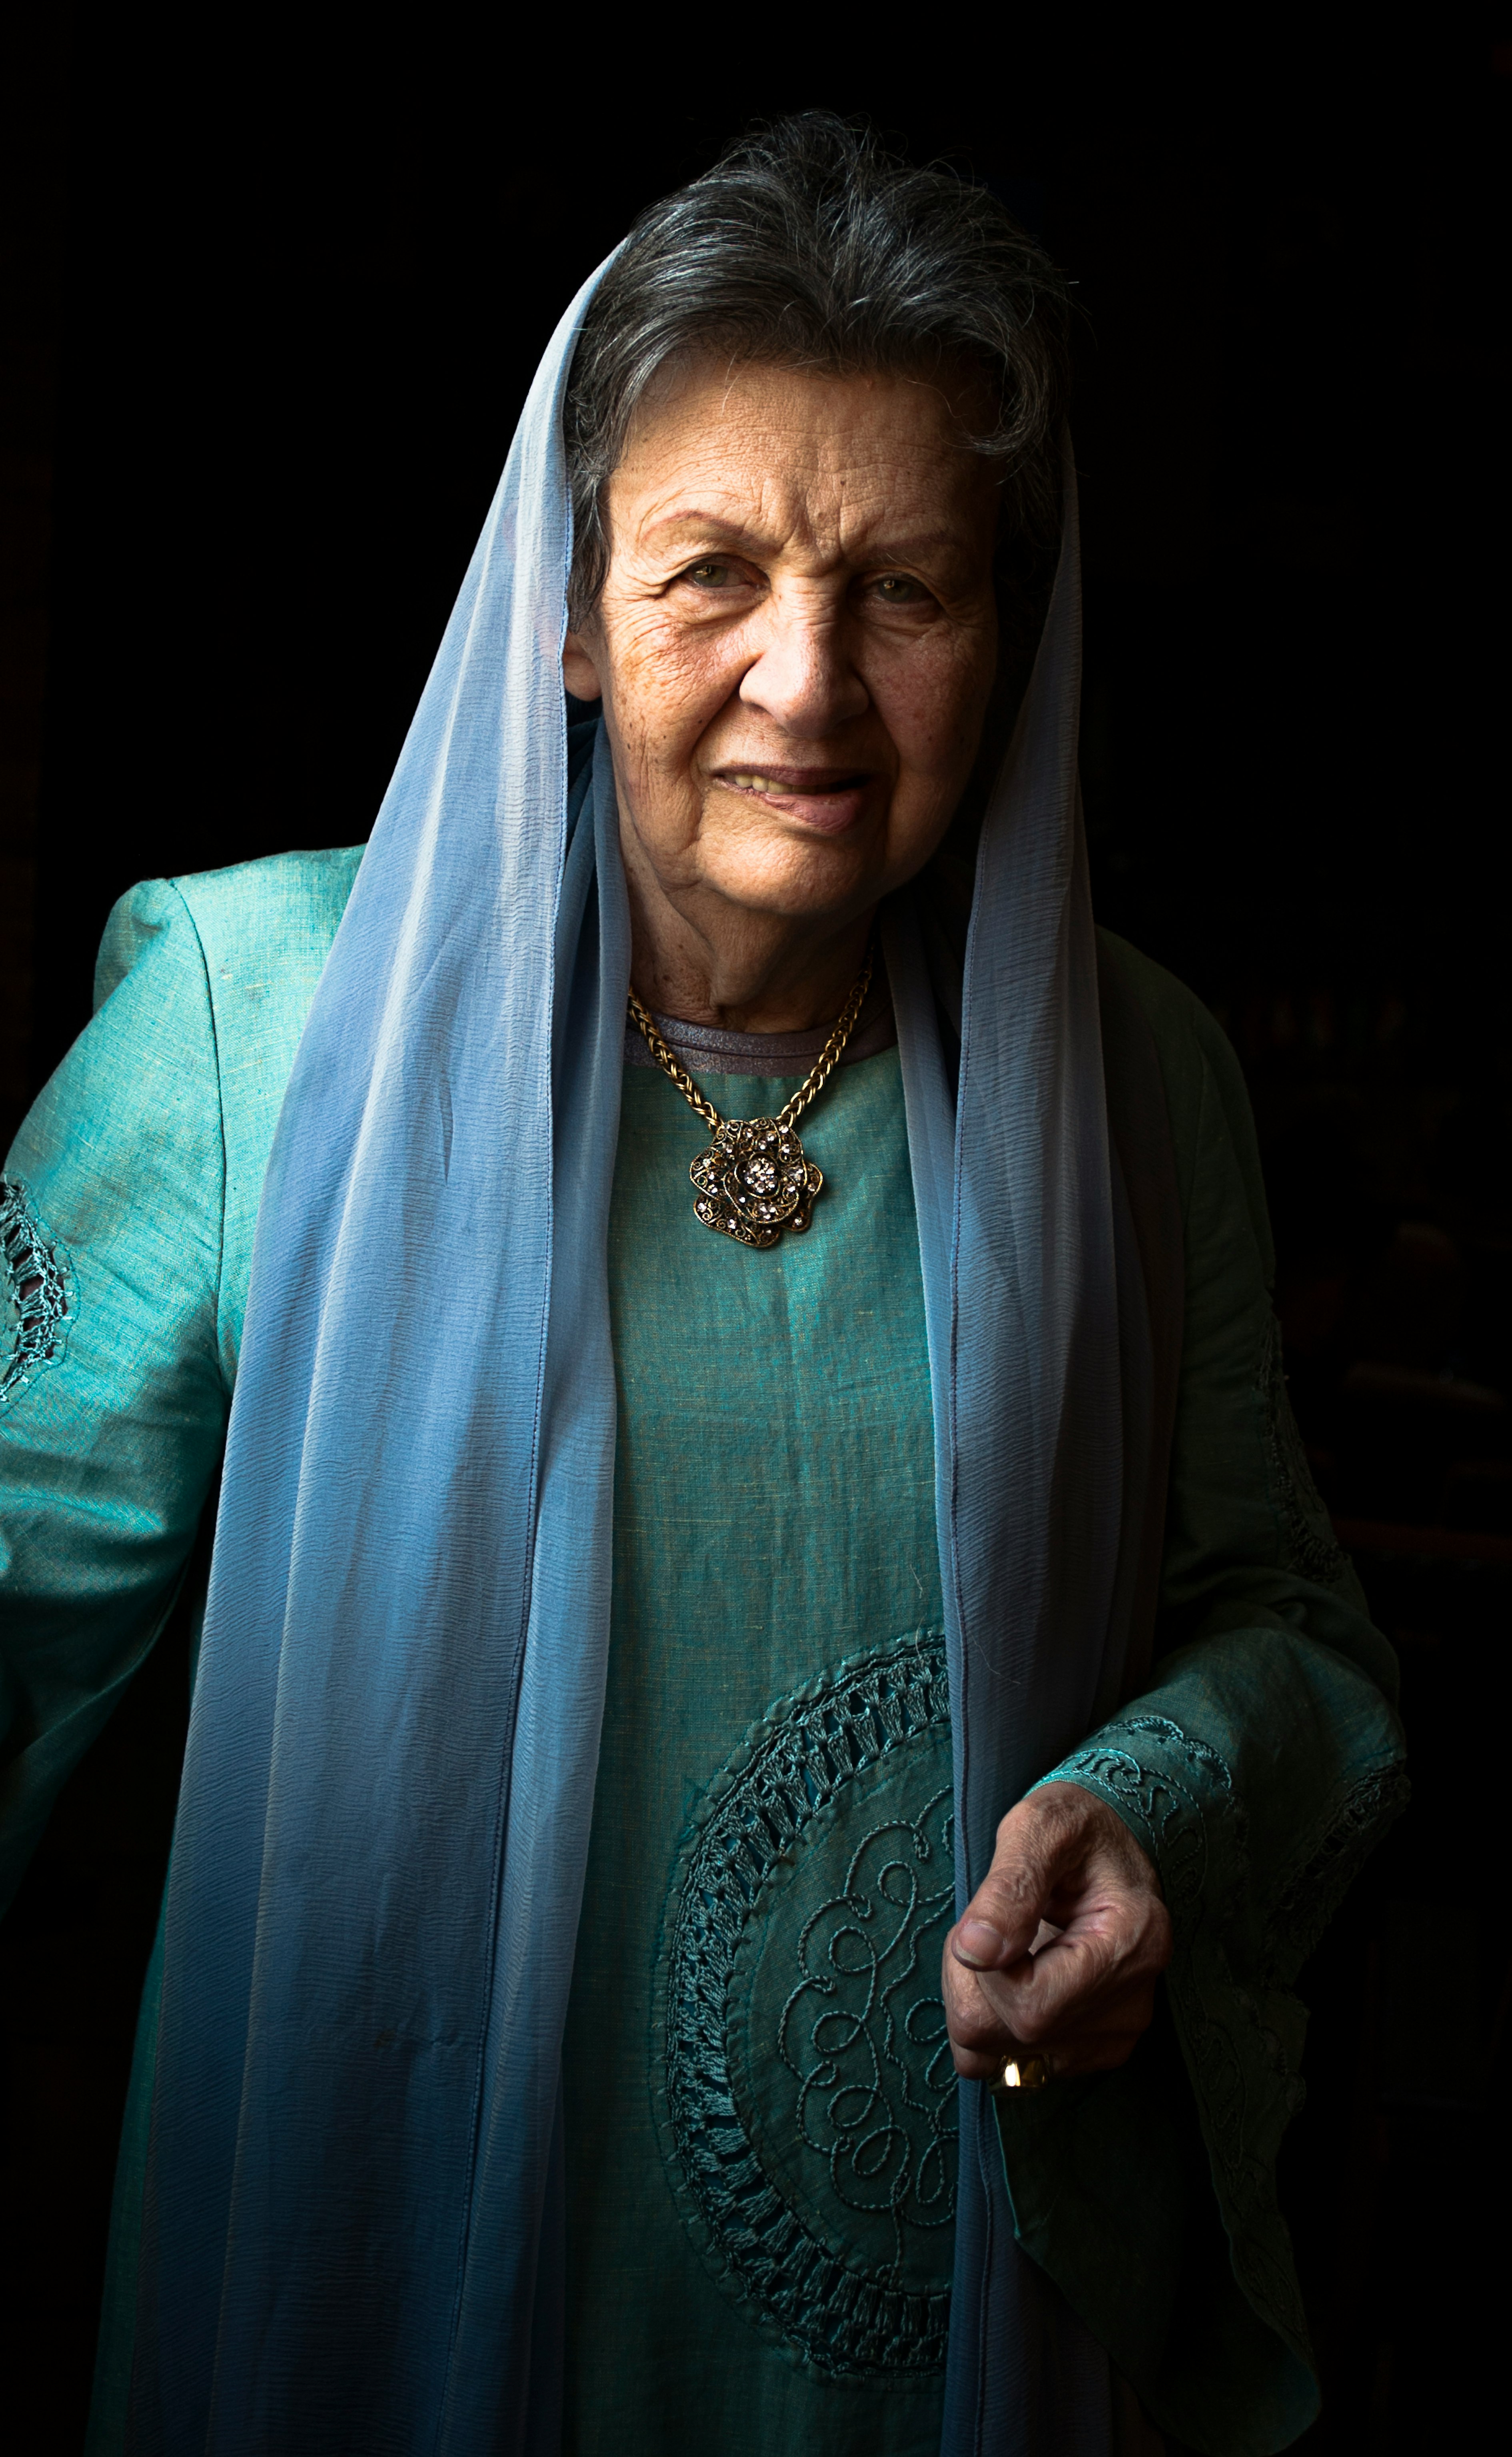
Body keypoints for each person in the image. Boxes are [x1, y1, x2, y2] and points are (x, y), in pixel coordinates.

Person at [0, 114, 1406, 2457]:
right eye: (708, 573)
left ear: (1012, 638)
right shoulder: (259, 1024)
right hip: (378, 2300)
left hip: (938, 2327)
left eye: (908, 590)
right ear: (562, 606)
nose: (807, 682)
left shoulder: (1131, 1080)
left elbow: (1282, 1621)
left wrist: (1152, 1805)